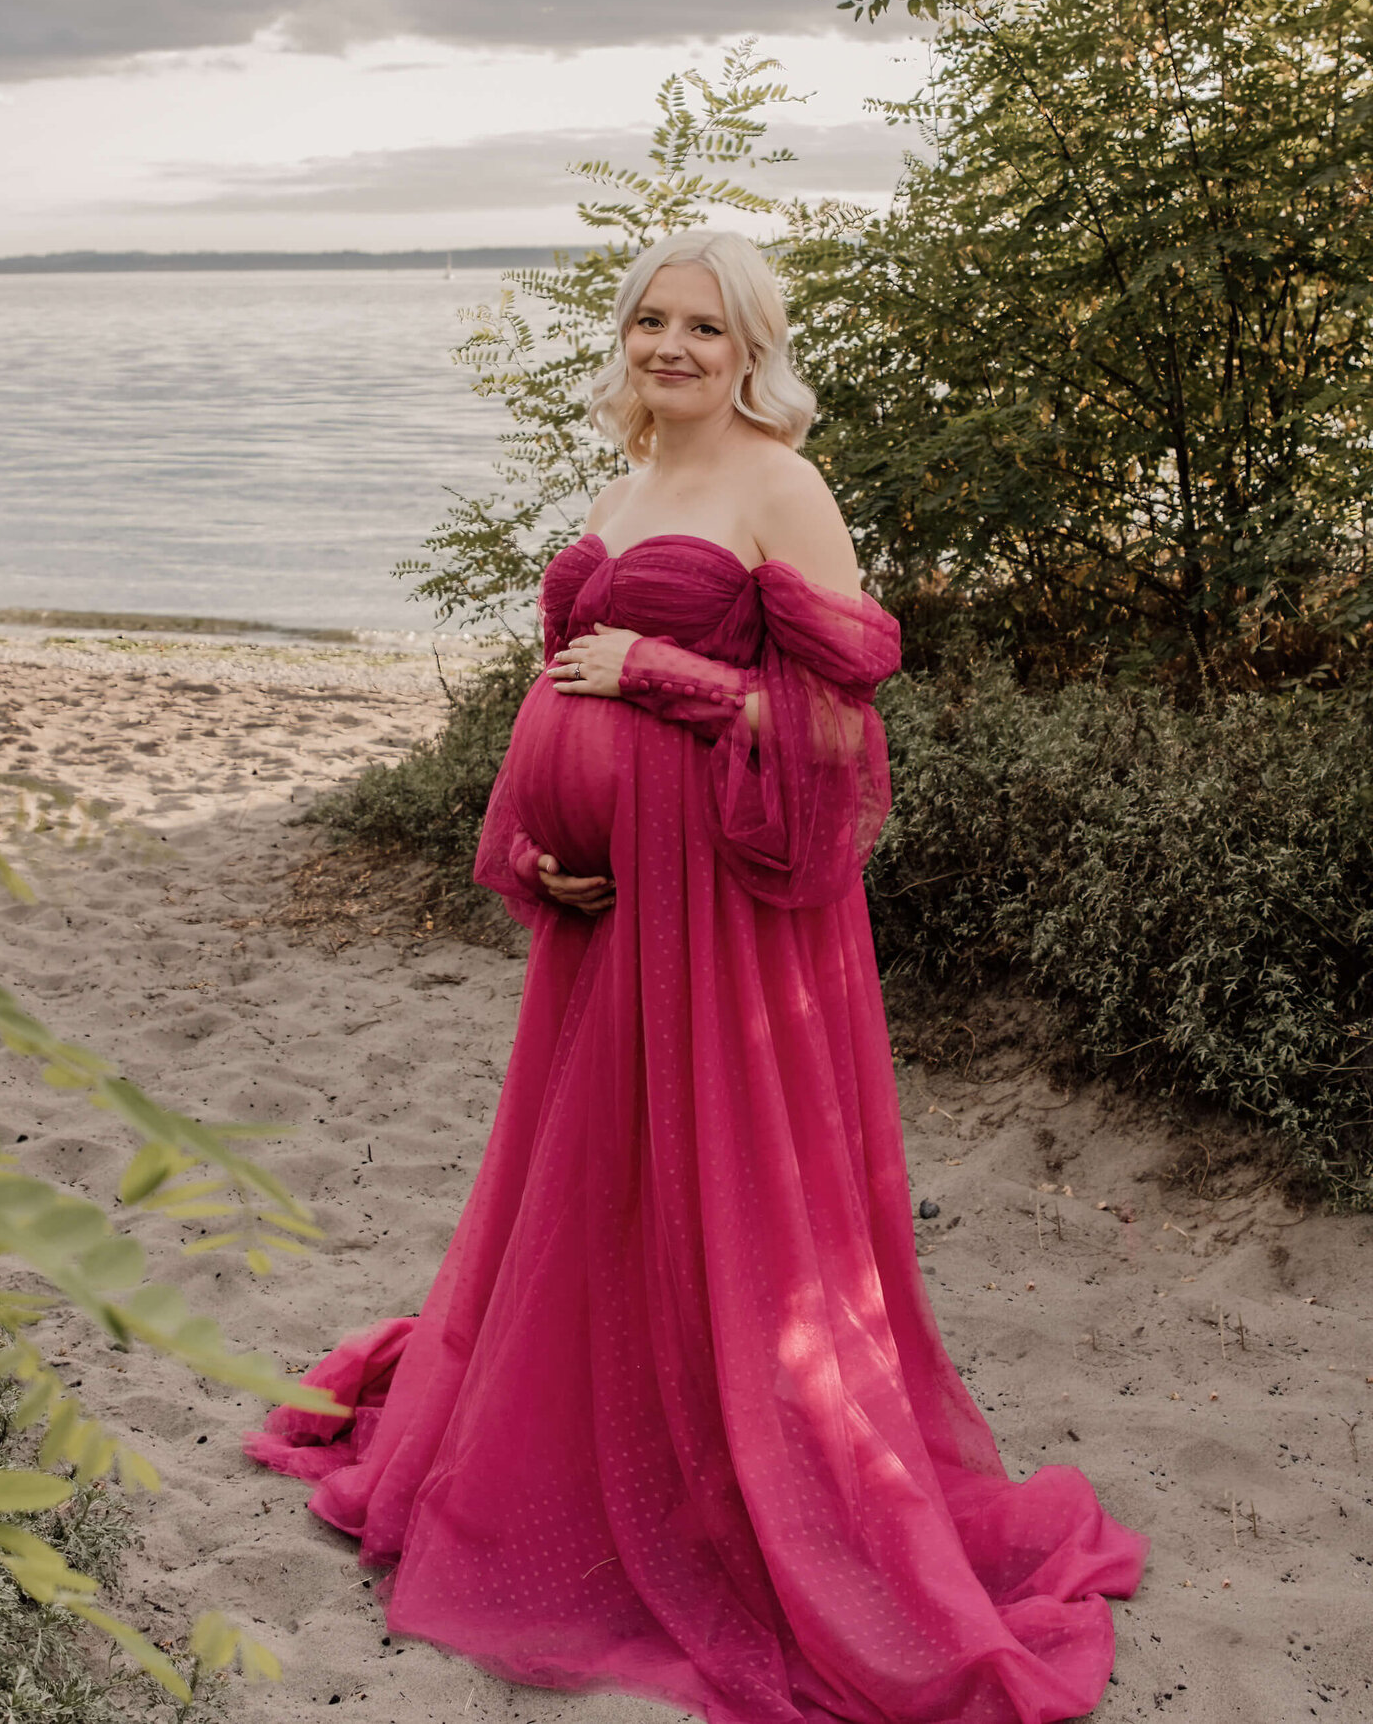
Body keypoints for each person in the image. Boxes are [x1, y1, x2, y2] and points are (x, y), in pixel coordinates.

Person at [249, 229, 1147, 1724]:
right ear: (627, 339)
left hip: (727, 918)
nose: (675, 348)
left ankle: (735, 1476)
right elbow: (558, 693)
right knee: (598, 1183)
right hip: (613, 919)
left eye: (706, 329)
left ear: (751, 351)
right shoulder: (622, 485)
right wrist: (539, 846)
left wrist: (662, 678)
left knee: (724, 1193)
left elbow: (843, 719)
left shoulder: (782, 484)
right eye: (654, 321)